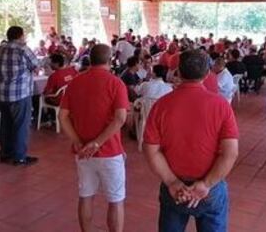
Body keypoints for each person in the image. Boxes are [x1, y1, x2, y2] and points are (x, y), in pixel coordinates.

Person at [143, 50, 239, 232]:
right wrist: (206, 184)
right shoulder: (221, 106)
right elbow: (230, 153)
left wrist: (172, 182)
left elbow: (151, 150)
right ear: (207, 73)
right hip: (210, 189)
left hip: (175, 189)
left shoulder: (161, 106)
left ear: (178, 72)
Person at [59, 44, 129, 232]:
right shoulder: (116, 83)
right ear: (110, 59)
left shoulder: (75, 82)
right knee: (115, 200)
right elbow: (121, 118)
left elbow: (62, 117)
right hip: (110, 151)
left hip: (83, 152)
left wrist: (77, 141)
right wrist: (97, 142)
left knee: (86, 196)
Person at [0, 26, 39, 166]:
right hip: (20, 93)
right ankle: (19, 157)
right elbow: (35, 65)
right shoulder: (23, 49)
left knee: (5, 124)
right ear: (20, 36)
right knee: (21, 125)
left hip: (2, 92)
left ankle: (5, 153)